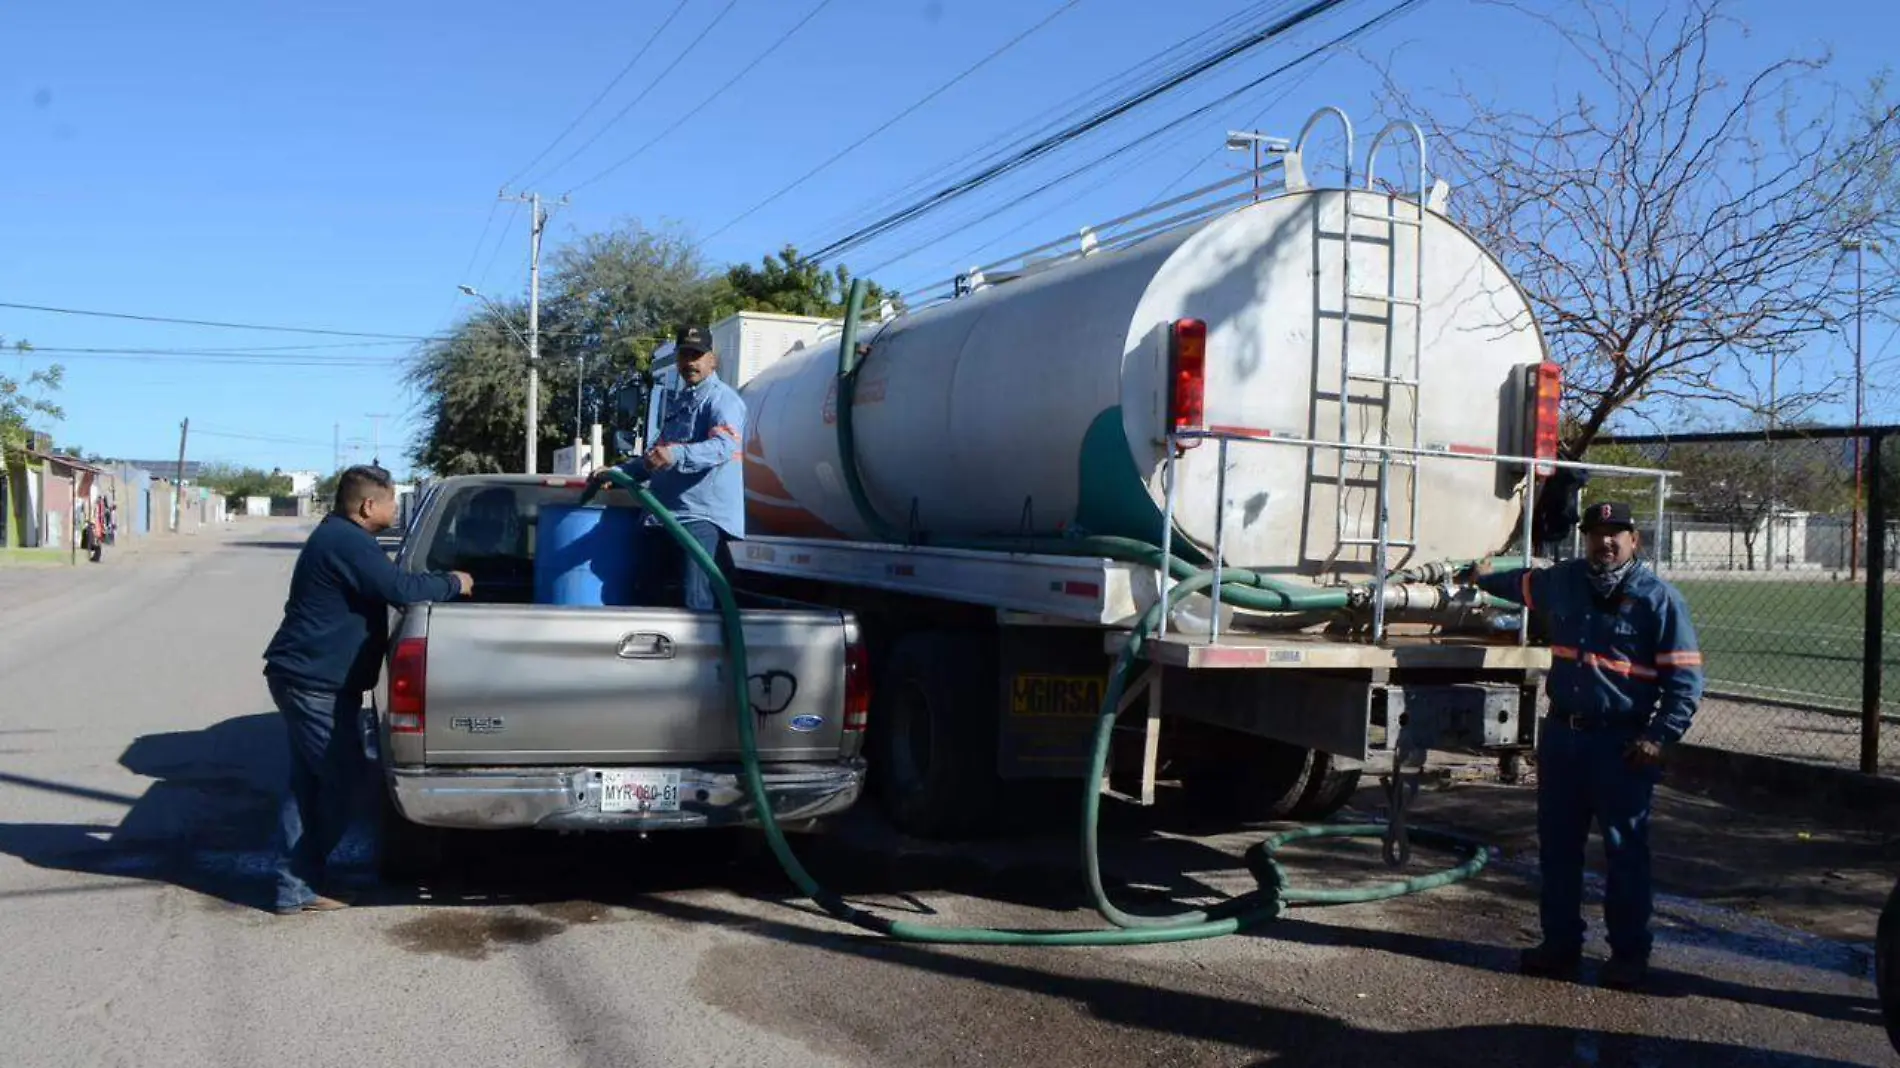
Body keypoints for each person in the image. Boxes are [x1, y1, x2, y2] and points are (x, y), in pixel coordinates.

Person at [1463, 500, 1704, 990]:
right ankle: (1559, 945)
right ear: (1586, 538)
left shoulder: (1659, 600)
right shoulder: (1565, 581)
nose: (1606, 541)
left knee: (1625, 853)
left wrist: (1659, 737)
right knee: (1557, 850)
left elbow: (1685, 683)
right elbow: (1519, 584)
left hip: (1622, 746)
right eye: (1597, 533)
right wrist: (1481, 574)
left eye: (1617, 533)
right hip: (1563, 740)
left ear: (1635, 540)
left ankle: (1629, 955)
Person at [261, 465, 472, 915]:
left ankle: (295, 886)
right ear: (367, 506)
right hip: (312, 682)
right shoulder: (346, 542)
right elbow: (401, 588)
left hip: (314, 679)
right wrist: (456, 582)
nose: (396, 510)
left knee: (311, 785)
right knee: (339, 782)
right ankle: (295, 883)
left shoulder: (343, 538)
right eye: (392, 501)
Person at [592, 324, 746, 611]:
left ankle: (703, 655)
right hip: (665, 517)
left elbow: (724, 446)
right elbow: (655, 457)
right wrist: (619, 474)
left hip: (698, 517)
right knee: (649, 595)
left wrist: (676, 454)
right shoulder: (681, 402)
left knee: (696, 603)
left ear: (712, 360)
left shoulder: (722, 400)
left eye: (697, 355)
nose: (690, 362)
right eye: (685, 355)